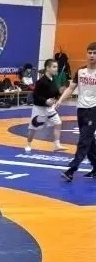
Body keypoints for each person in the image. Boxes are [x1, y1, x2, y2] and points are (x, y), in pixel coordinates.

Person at [56, 42, 96, 181]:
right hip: (81, 109)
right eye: (90, 52)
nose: (92, 55)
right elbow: (71, 88)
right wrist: (60, 100)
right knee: (90, 141)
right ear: (86, 54)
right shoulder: (80, 71)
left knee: (84, 140)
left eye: (95, 53)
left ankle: (71, 169)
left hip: (94, 109)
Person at [24, 58, 62, 153]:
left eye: (56, 67)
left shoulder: (53, 80)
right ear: (47, 68)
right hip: (39, 109)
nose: (56, 69)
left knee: (58, 123)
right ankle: (28, 144)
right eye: (54, 67)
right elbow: (36, 96)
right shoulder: (41, 82)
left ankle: (57, 144)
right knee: (33, 128)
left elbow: (55, 93)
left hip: (50, 109)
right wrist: (45, 101)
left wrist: (58, 96)